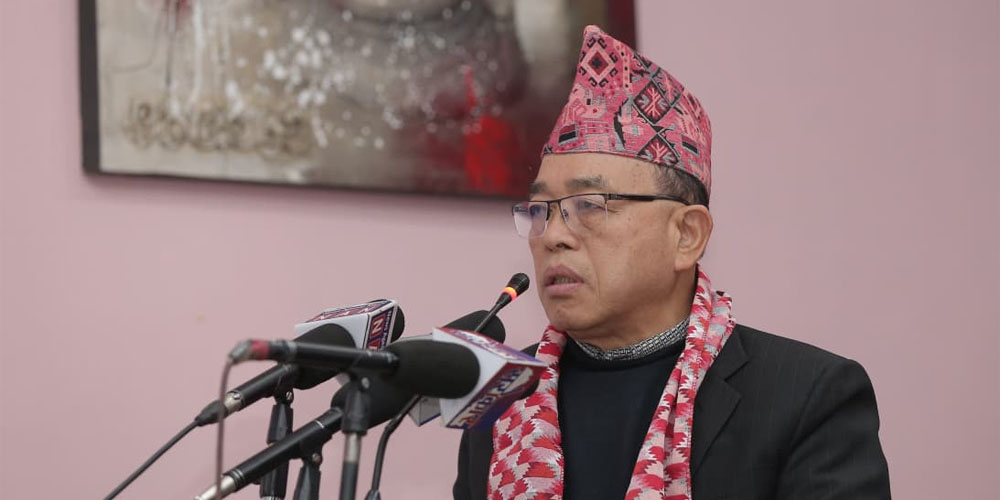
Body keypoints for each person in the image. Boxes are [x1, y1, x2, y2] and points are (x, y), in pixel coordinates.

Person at [453, 25, 890, 500]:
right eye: (541, 210)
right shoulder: (504, 399)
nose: (553, 236)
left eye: (589, 205)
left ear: (687, 235)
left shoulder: (806, 395)